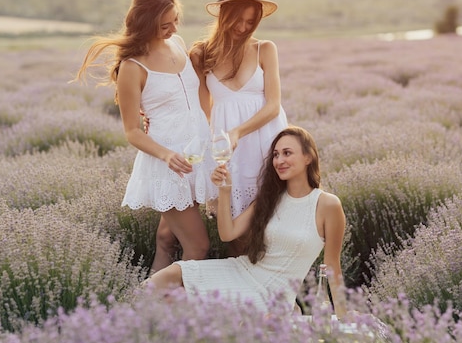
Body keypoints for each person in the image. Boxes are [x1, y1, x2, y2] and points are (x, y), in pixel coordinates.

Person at [74, 0, 216, 273]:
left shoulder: (177, 45)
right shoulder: (133, 67)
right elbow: (132, 131)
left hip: (197, 156)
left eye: (176, 20)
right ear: (147, 22)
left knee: (166, 239)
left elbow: (190, 98)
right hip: (170, 166)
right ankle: (174, 309)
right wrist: (166, 155)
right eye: (165, 24)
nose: (174, 29)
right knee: (198, 246)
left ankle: (146, 305)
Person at [146, 126, 347, 318]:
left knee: (185, 310)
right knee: (172, 274)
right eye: (276, 155)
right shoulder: (269, 198)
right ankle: (119, 321)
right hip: (241, 270)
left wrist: (343, 317)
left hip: (270, 295)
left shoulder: (327, 205)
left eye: (287, 153)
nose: (279, 160)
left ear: (308, 157)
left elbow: (332, 265)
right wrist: (225, 191)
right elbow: (227, 234)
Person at [190, 0, 288, 255]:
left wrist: (238, 132)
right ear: (224, 16)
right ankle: (242, 290)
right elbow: (199, 109)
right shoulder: (201, 54)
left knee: (273, 225)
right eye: (238, 20)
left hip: (266, 140)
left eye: (250, 21)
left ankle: (278, 291)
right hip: (226, 150)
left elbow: (273, 105)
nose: (244, 27)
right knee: (234, 233)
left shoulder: (265, 49)